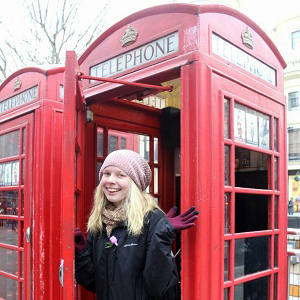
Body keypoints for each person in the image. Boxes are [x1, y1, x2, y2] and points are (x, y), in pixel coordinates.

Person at [74, 149, 199, 300]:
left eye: (120, 175)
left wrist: (161, 238)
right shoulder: (99, 222)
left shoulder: (152, 219)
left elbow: (157, 287)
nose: (110, 180)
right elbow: (93, 282)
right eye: (106, 173)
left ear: (135, 183)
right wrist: (81, 254)